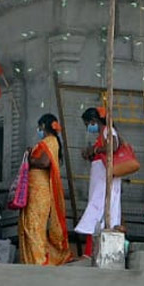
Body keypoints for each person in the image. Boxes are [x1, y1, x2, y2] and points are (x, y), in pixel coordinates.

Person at [19, 113, 73, 265]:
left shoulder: (50, 141)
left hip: (39, 192)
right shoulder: (49, 142)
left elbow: (44, 163)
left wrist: (30, 159)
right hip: (34, 190)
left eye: (39, 127)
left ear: (43, 125)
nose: (38, 129)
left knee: (34, 225)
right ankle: (33, 259)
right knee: (29, 224)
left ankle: (39, 259)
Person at [74, 106, 122, 254]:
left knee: (99, 210)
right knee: (96, 211)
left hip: (105, 181)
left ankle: (93, 251)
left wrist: (94, 150)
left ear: (94, 121)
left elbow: (113, 146)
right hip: (100, 179)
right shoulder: (102, 133)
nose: (88, 128)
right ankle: (91, 251)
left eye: (88, 124)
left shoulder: (108, 130)